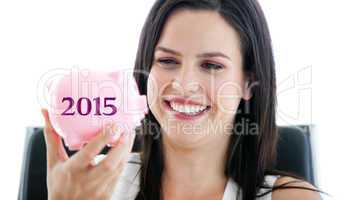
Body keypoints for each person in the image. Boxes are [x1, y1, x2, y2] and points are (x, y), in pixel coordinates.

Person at [41, 0, 324, 199]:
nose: (184, 84)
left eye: (212, 65)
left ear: (248, 83)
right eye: (167, 60)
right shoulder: (89, 187)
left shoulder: (292, 198)